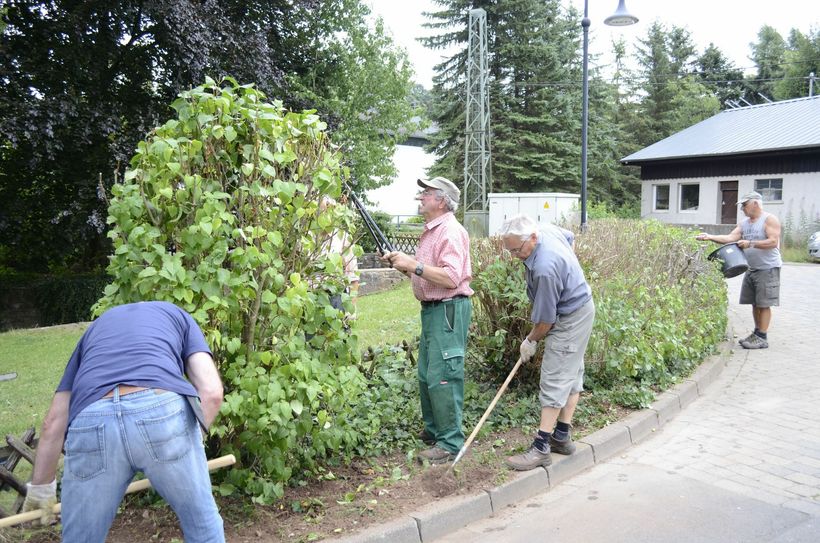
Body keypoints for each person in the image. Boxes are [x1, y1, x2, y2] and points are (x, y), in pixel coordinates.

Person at [22, 301, 225, 542]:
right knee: (203, 526)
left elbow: (53, 422)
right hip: (160, 407)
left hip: (92, 417)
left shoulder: (94, 333)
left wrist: (41, 489)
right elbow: (212, 392)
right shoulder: (180, 317)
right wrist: (185, 444)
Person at [381, 177, 473, 464]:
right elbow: (426, 274)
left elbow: (450, 277)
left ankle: (450, 442)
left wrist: (414, 265)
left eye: (426, 193)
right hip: (432, 309)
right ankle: (435, 431)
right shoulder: (431, 231)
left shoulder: (450, 232)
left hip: (448, 310)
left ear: (441, 200)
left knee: (443, 375)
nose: (420, 196)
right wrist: (404, 267)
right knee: (426, 374)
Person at [499, 214, 595, 471]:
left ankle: (541, 447)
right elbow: (570, 237)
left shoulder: (545, 269)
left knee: (555, 376)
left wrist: (530, 342)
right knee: (571, 370)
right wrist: (570, 270)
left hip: (571, 316)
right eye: (509, 250)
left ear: (532, 238)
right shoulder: (542, 229)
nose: (514, 255)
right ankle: (561, 437)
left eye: (517, 250)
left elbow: (545, 322)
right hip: (582, 306)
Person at [696, 191, 782, 349]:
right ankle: (757, 333)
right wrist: (709, 237)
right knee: (755, 303)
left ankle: (762, 337)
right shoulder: (744, 223)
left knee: (764, 304)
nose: (742, 208)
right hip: (751, 268)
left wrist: (750, 243)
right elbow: (730, 238)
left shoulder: (769, 219)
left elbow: (773, 241)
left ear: (755, 203)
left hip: (767, 268)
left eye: (744, 204)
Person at [318, 195, 360, 310]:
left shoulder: (343, 237)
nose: (326, 215)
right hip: (309, 295)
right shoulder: (305, 237)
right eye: (323, 211)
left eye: (330, 211)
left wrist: (352, 308)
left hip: (335, 297)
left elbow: (353, 276)